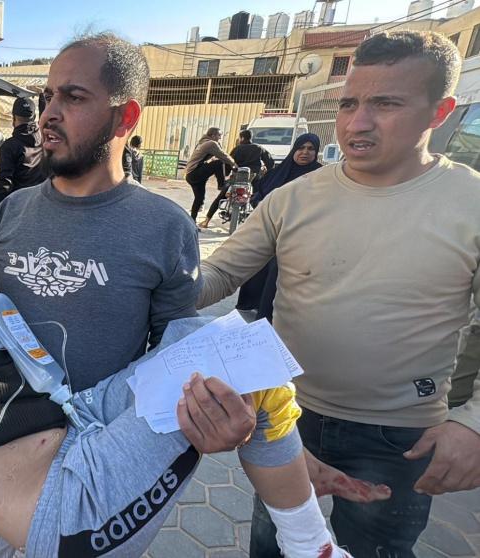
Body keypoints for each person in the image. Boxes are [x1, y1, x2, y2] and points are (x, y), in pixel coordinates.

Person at [0, 223, 367, 558]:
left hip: (78, 424)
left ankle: (296, 499)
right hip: (67, 500)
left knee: (217, 338)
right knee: (233, 364)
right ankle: (308, 542)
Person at [0, 32, 252, 556]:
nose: (48, 113)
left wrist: (212, 414)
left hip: (94, 457)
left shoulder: (165, 227)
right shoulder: (11, 211)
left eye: (72, 97)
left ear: (125, 117)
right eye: (47, 95)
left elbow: (177, 354)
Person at [189, 31, 480, 557]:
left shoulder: (471, 202)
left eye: (385, 104)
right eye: (348, 104)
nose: (356, 123)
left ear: (439, 112)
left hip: (399, 437)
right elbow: (219, 275)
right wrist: (137, 282)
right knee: (277, 546)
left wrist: (473, 424)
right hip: (284, 417)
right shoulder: (292, 198)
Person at [234, 133, 322, 320]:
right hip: (269, 228)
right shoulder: (278, 172)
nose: (305, 152)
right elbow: (259, 194)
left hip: (300, 234)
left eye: (310, 149)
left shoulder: (322, 177)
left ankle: (267, 312)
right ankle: (251, 303)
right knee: (257, 258)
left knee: (277, 266)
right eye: (301, 148)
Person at [0, 96, 47, 234]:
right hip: (43, 206)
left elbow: (4, 185)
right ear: (34, 117)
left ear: (13, 118)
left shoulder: (10, 147)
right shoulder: (45, 139)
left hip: (20, 212)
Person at [199, 129, 275, 229]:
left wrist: (226, 174)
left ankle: (206, 221)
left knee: (221, 197)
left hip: (237, 179)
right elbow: (271, 163)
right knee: (258, 198)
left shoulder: (237, 149)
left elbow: (228, 162)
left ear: (242, 138)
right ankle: (265, 225)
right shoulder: (259, 148)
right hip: (253, 179)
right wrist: (266, 171)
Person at [184, 127, 236, 226]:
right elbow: (223, 156)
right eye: (219, 135)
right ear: (213, 135)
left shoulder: (202, 142)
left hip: (190, 175)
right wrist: (235, 165)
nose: (220, 138)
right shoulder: (211, 143)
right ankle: (221, 185)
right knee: (218, 162)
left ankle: (192, 222)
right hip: (195, 173)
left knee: (199, 199)